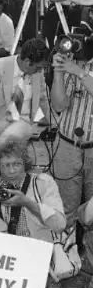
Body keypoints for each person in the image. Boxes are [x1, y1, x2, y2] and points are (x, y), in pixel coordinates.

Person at [0, 138, 65, 288]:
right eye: (6, 165)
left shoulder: (43, 183)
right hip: (11, 260)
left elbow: (60, 224)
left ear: (25, 163)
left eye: (16, 164)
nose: (12, 170)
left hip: (39, 257)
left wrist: (28, 203)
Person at [0, 38, 50, 146]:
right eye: (38, 67)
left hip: (23, 121)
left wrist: (49, 122)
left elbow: (42, 97)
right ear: (27, 61)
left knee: (3, 143)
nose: (40, 71)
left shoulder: (37, 74)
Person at [49, 46, 93, 230]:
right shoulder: (73, 65)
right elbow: (59, 105)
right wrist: (59, 71)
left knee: (92, 213)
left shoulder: (77, 69)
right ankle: (66, 253)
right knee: (65, 210)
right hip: (68, 147)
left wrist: (81, 74)